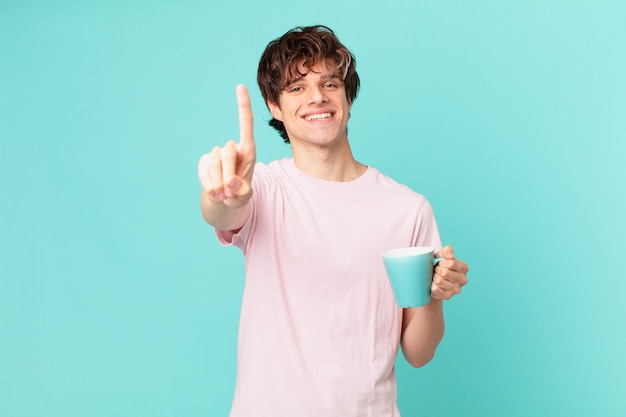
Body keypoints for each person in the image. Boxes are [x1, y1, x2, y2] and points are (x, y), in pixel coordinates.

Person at [197, 25, 469, 417]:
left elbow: (419, 353)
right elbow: (223, 213)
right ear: (274, 107)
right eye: (296, 88)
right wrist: (221, 195)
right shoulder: (266, 189)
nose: (317, 98)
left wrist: (435, 294)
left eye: (330, 83)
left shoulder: (406, 208)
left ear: (347, 96)